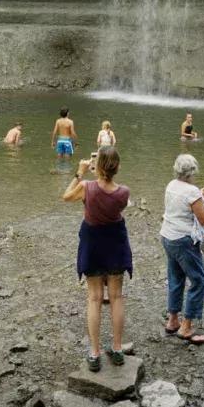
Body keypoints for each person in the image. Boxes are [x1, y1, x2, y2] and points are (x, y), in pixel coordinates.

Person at [62, 147, 132, 371]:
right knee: (116, 297)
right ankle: (118, 349)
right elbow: (113, 203)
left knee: (94, 298)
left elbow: (66, 197)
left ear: (97, 166)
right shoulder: (124, 192)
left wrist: (80, 173)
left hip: (92, 242)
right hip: (115, 242)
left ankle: (94, 353)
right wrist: (100, 176)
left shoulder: (86, 187)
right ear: (118, 167)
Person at [160, 153, 204, 345]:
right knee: (199, 281)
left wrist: (200, 196)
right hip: (183, 240)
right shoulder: (192, 192)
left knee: (176, 277)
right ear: (193, 171)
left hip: (167, 236)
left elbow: (183, 203)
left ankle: (173, 320)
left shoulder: (171, 185)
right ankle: (186, 326)